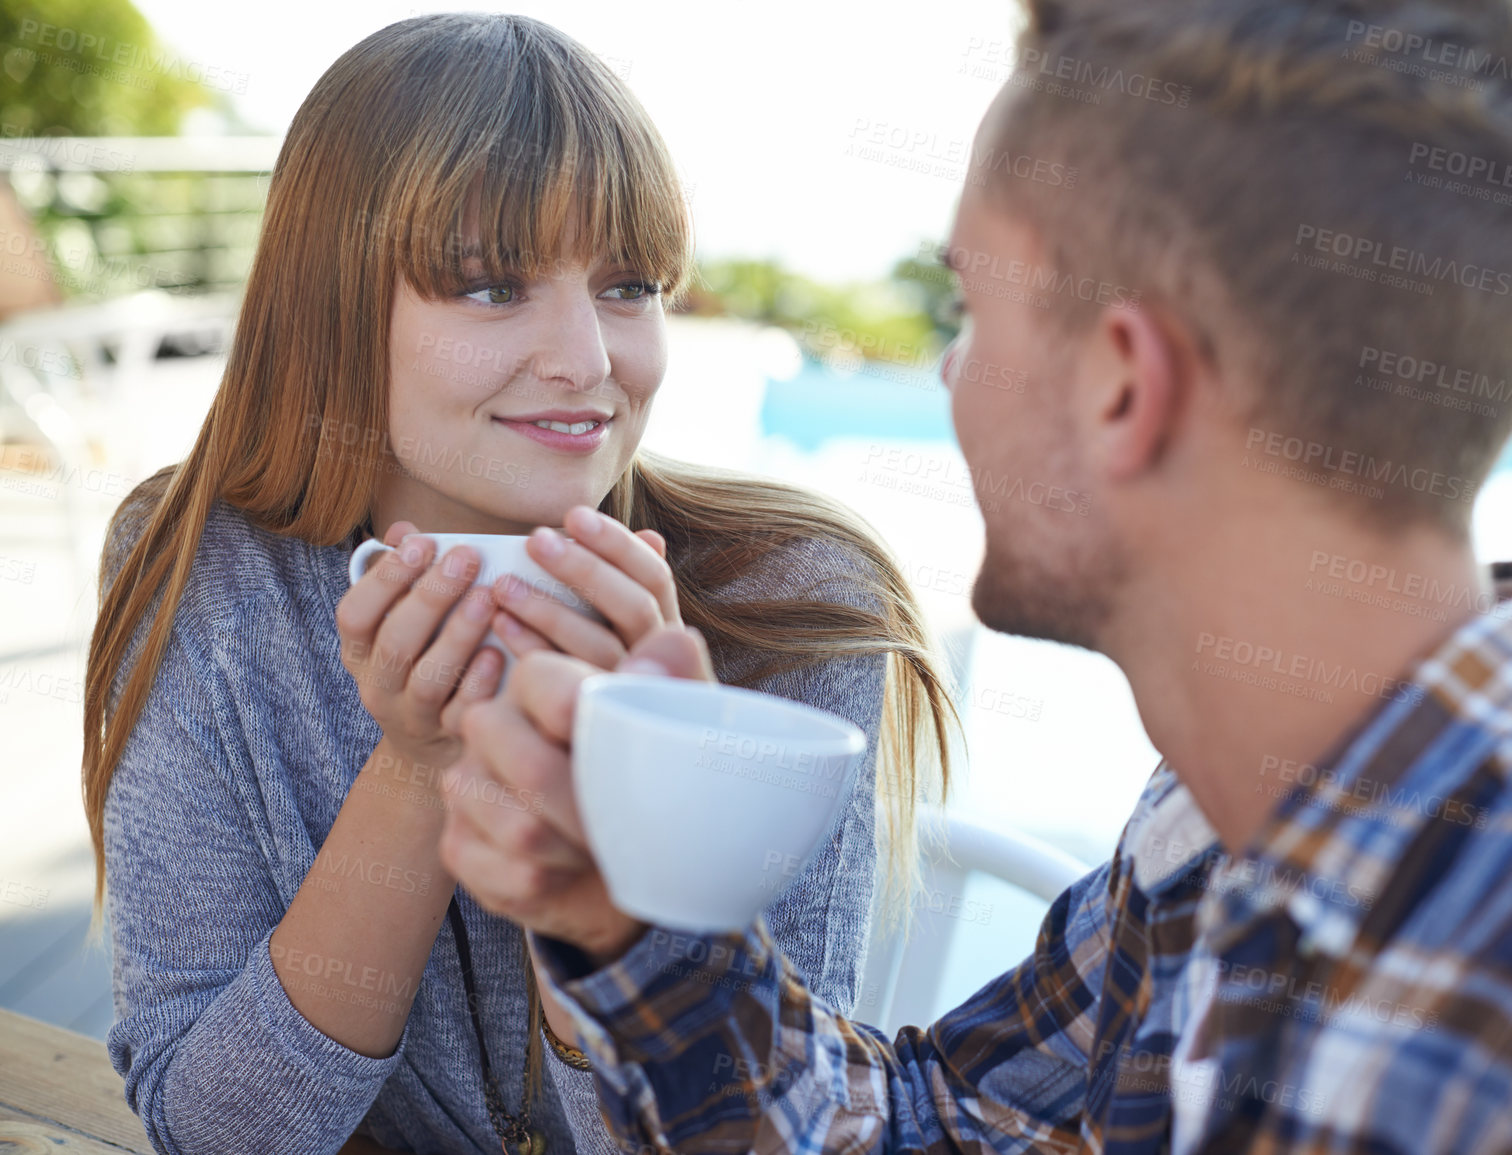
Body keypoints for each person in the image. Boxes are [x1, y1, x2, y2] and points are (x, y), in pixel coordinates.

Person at [441, 0, 1512, 1151]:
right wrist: (620, 915)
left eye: (974, 319)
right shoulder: (1217, 836)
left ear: (1122, 385)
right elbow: (930, 1129)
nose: (949, 375)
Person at [82, 14, 957, 1155]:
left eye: (631, 286)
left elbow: (764, 1140)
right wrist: (418, 767)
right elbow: (218, 1132)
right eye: (493, 287)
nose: (590, 362)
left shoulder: (800, 611)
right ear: (330, 305)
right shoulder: (201, 568)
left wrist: (624, 791)